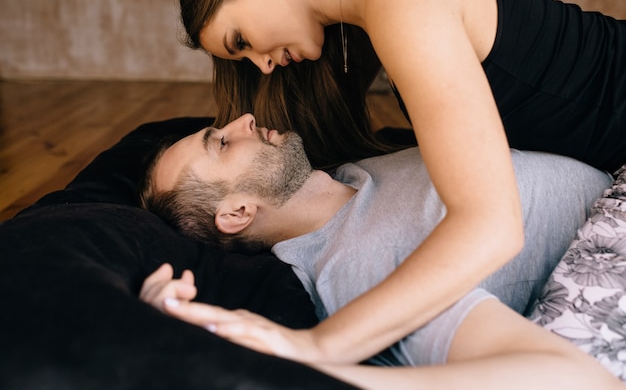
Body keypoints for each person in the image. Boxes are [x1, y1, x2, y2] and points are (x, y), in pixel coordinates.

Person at [176, 0, 626, 368]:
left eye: (241, 41)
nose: (263, 64)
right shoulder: (377, 8)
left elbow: (491, 227)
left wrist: (321, 346)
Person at [138, 114, 623, 388]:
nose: (243, 119)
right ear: (238, 212)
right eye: (222, 143)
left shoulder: (357, 172)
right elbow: (576, 378)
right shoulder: (358, 272)